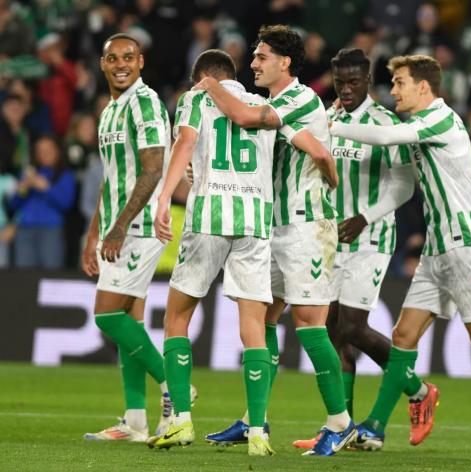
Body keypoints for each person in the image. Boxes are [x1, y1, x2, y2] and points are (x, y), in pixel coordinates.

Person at [331, 54, 471, 456]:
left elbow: (385, 137)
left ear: (423, 87)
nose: (392, 90)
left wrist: (334, 126)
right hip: (436, 248)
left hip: (464, 245)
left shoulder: (440, 119)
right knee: (403, 336)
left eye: (399, 83)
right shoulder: (416, 125)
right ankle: (375, 426)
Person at [195, 25, 357, 457]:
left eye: (261, 56)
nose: (252, 63)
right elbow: (312, 152)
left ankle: (341, 423)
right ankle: (254, 420)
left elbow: (252, 121)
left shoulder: (300, 98)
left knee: (309, 321)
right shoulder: (275, 102)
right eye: (253, 55)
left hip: (307, 226)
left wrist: (210, 84)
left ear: (285, 62)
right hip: (274, 225)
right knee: (262, 317)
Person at [149, 49, 282, 455]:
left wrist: (164, 198)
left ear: (202, 77)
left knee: (177, 317)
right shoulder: (264, 103)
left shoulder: (196, 97)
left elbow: (186, 142)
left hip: (209, 216)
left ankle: (182, 423)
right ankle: (257, 431)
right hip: (256, 221)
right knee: (254, 327)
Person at [292, 48, 423, 450]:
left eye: (353, 83)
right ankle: (342, 426)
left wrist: (366, 215)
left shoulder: (383, 122)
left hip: (371, 238)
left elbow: (404, 184)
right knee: (334, 335)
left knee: (350, 326)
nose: (346, 90)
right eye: (340, 83)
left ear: (368, 81)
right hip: (328, 239)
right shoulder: (327, 119)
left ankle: (417, 389)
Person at [81, 34, 175, 443]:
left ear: (140, 62)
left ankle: (175, 386)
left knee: (106, 315)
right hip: (119, 227)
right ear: (103, 64)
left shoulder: (146, 102)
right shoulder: (110, 111)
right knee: (131, 320)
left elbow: (152, 170)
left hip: (139, 227)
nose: (120, 64)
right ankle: (135, 421)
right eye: (112, 58)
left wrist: (118, 226)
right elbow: (112, 178)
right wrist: (93, 232)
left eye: (128, 57)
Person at [9, 135, 76, 269]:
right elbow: (13, 205)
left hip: (51, 230)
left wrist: (46, 187)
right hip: (25, 230)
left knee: (51, 273)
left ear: (57, 151)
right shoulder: (30, 172)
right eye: (40, 151)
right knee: (23, 275)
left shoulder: (65, 174)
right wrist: (23, 188)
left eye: (48, 150)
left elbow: (66, 203)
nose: (44, 154)